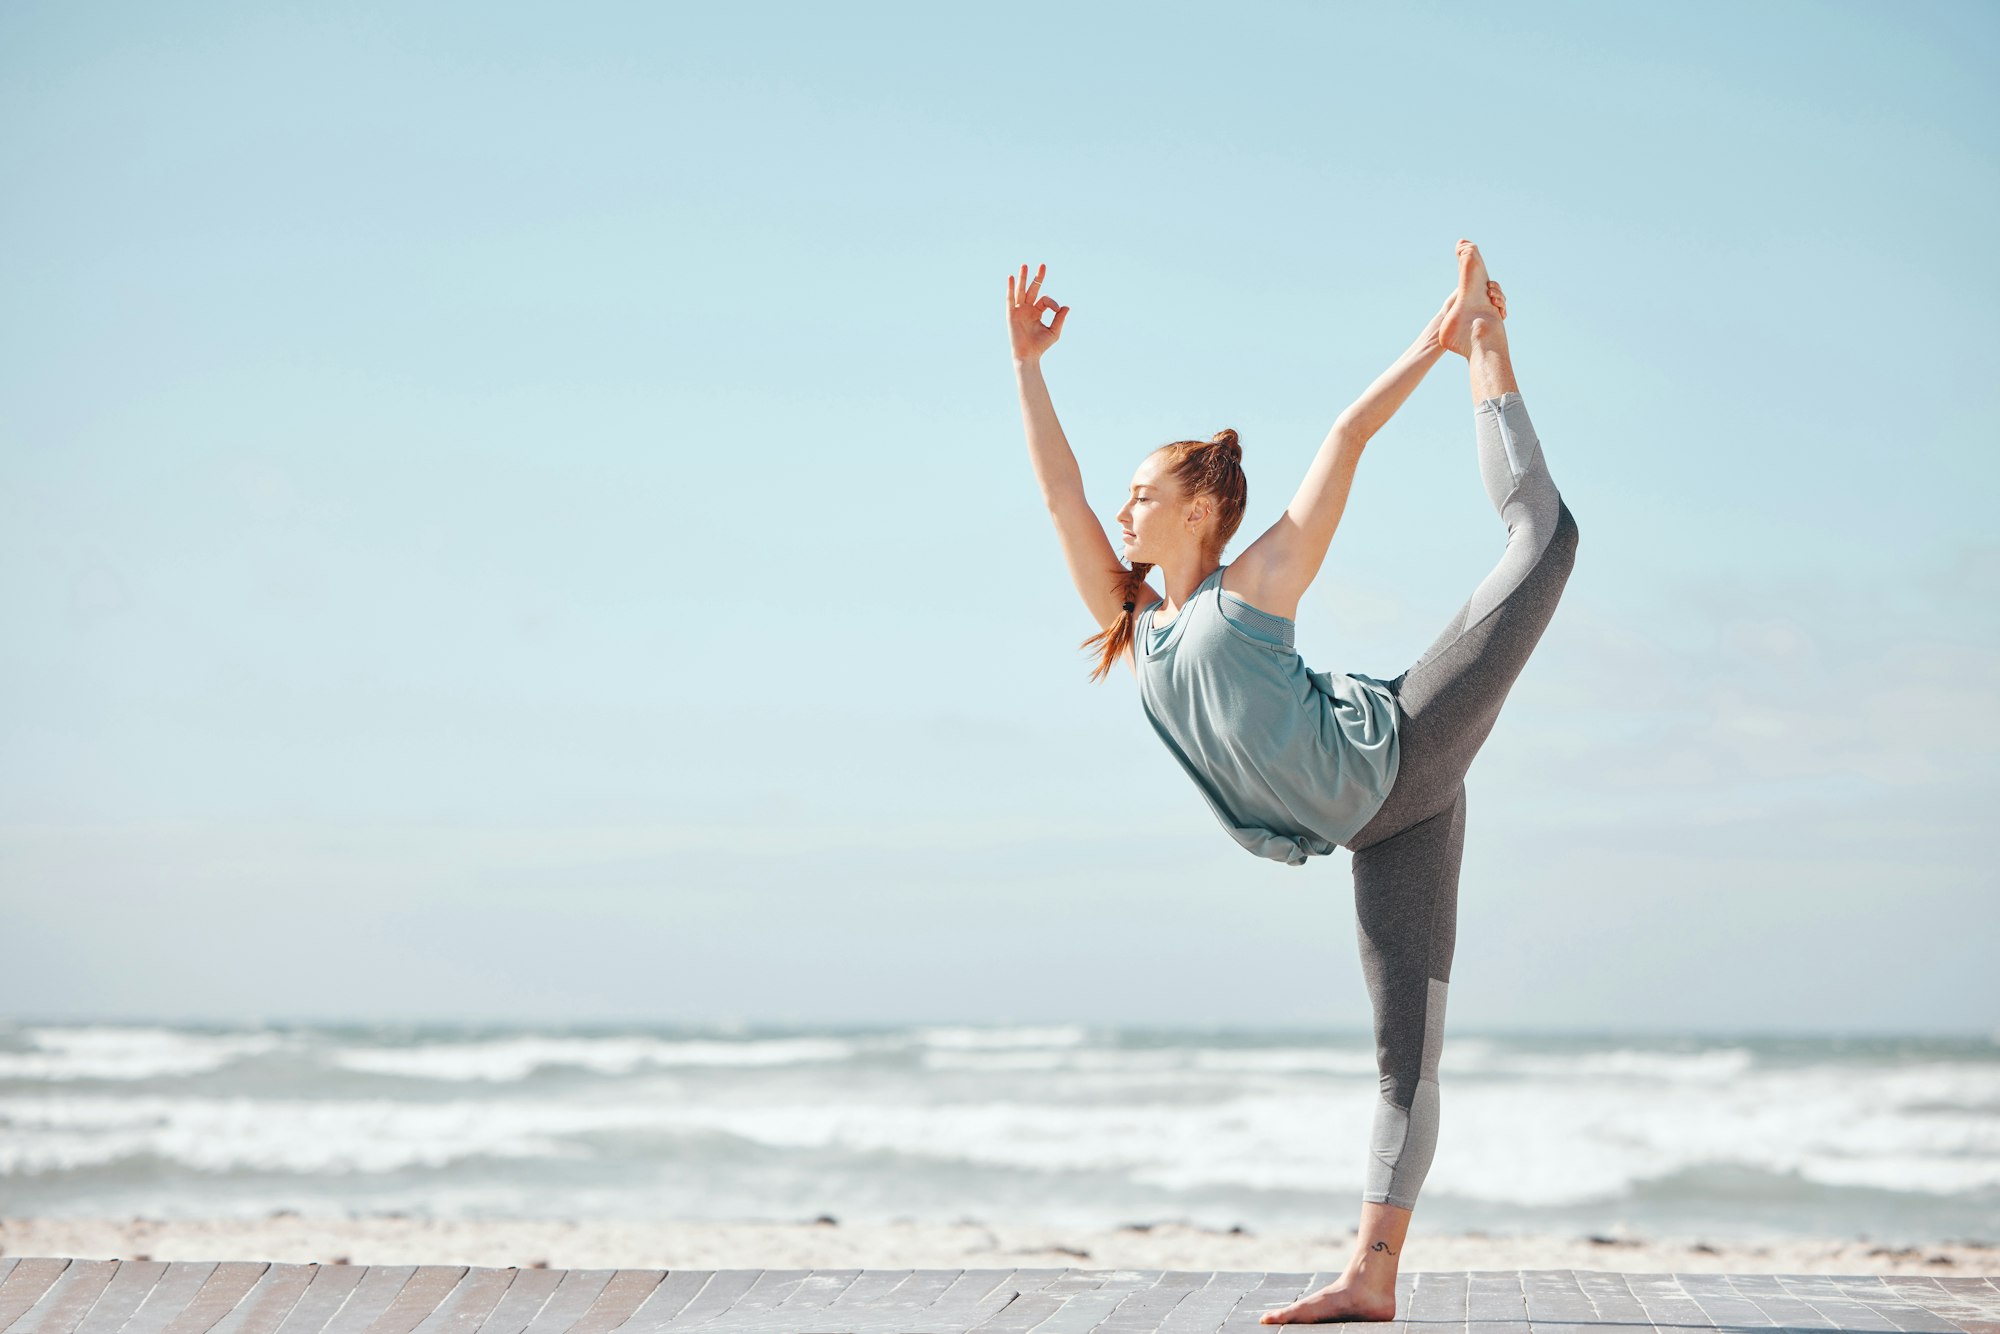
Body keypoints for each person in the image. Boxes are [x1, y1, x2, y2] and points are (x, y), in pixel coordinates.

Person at [1006, 241, 1579, 1325]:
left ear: (1192, 511)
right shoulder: (1137, 623)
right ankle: (1370, 1274)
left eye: (1141, 495)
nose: (1123, 513)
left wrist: (1443, 334)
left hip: (1410, 740)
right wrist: (1028, 366)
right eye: (1125, 496)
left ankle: (1490, 350)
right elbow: (1056, 493)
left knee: (1543, 542)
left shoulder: (1251, 587)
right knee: (1402, 1058)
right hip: (1382, 830)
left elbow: (1344, 436)